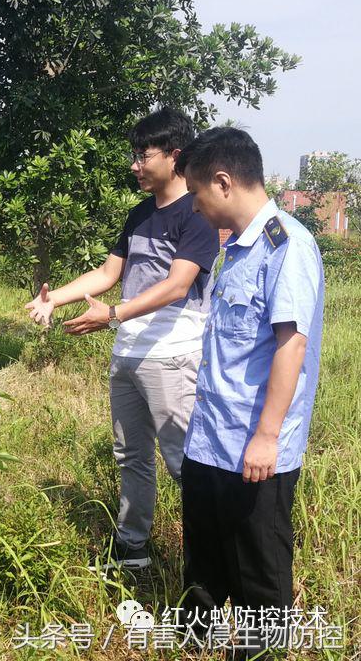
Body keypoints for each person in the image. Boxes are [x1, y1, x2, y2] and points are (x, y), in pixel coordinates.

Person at [25, 107, 220, 570]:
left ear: (174, 156)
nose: (134, 165)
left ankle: (209, 556)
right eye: (133, 155)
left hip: (172, 357)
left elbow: (176, 286)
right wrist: (56, 300)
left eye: (142, 155)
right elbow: (110, 272)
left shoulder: (197, 214)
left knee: (182, 460)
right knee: (131, 456)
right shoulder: (138, 214)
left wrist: (112, 315)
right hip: (128, 353)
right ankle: (133, 547)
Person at [177, 127, 323, 657]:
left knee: (258, 569)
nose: (194, 208)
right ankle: (194, 646)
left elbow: (292, 344)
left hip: (253, 448)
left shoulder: (288, 246)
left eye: (195, 195)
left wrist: (266, 436)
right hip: (210, 440)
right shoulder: (233, 253)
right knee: (206, 563)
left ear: (222, 182)